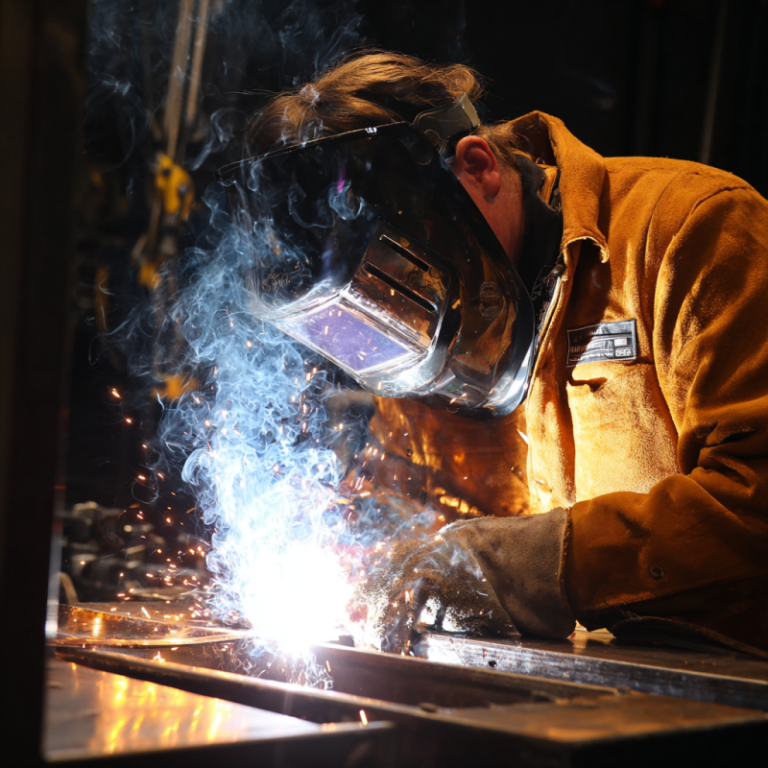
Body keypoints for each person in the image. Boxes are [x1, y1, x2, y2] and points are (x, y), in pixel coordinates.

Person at [231, 51, 768, 655]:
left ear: (480, 167)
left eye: (407, 276)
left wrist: (524, 566)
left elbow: (754, 500)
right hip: (579, 699)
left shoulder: (692, 229)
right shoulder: (424, 349)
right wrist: (375, 552)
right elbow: (424, 504)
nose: (405, 321)